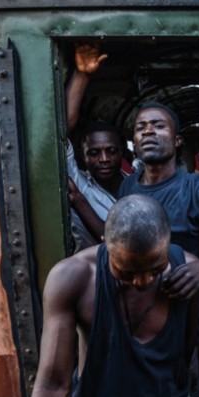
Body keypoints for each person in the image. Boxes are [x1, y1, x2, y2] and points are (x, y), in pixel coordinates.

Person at [30, 195, 199, 397]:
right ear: (106, 245)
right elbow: (53, 385)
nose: (143, 282)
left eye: (156, 268)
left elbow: (185, 349)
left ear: (168, 243)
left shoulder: (187, 272)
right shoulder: (71, 279)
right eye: (128, 272)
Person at [118, 102, 199, 341]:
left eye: (158, 126)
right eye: (141, 128)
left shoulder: (197, 189)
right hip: (139, 314)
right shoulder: (127, 186)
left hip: (187, 313)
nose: (148, 131)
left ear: (177, 141)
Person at [65, 43, 128, 251]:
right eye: (94, 153)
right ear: (82, 156)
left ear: (122, 152)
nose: (104, 159)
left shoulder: (137, 183)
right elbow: (60, 131)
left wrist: (79, 201)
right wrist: (82, 76)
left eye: (111, 151)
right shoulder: (81, 183)